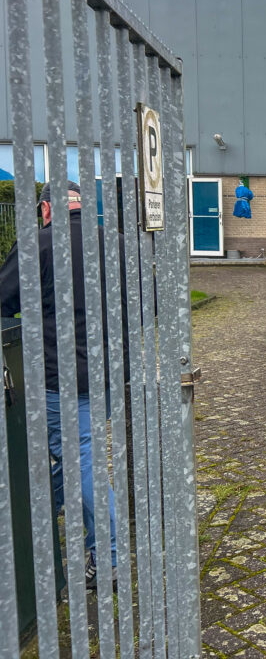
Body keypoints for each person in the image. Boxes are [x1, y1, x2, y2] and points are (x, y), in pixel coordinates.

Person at [0, 181, 121, 588]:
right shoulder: (117, 243)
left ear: (46, 209)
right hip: (108, 373)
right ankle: (33, 517)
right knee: (77, 454)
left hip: (60, 375)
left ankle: (109, 556)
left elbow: (3, 298)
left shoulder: (40, 245)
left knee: (79, 459)